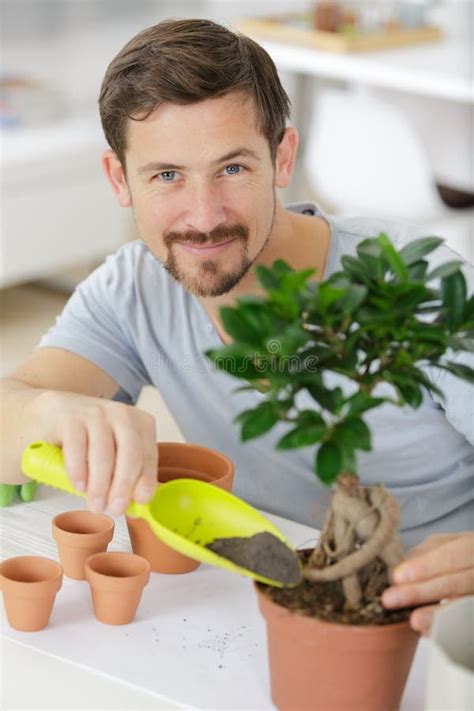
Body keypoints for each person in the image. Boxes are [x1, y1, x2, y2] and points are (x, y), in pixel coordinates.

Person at [1, 19, 472, 634]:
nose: (203, 217)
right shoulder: (132, 288)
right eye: (167, 175)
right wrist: (48, 415)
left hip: (432, 621)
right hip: (257, 607)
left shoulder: (413, 282)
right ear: (120, 179)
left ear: (282, 158)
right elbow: (11, 414)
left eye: (232, 169)